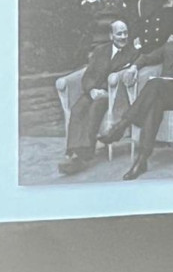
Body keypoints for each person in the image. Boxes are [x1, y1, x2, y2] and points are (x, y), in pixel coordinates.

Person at [98, 9, 173, 180]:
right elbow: (146, 57)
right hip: (163, 93)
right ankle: (142, 160)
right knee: (154, 105)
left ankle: (122, 125)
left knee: (155, 83)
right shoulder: (170, 45)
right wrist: (134, 67)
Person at [59, 19, 139, 175]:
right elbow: (88, 75)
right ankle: (73, 152)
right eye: (119, 34)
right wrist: (91, 91)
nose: (123, 37)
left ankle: (83, 156)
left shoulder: (133, 53)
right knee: (77, 109)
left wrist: (106, 92)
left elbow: (127, 78)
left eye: (125, 33)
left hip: (112, 96)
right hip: (94, 91)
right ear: (111, 36)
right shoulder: (100, 51)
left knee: (94, 110)